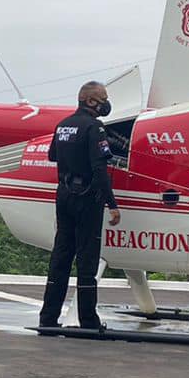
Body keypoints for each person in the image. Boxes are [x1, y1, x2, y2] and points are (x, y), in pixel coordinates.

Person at [38, 81, 121, 330]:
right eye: (103, 98)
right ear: (91, 101)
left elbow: (52, 155)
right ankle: (88, 321)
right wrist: (112, 204)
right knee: (87, 259)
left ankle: (48, 318)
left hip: (63, 196)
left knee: (61, 256)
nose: (106, 102)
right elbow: (100, 169)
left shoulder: (62, 125)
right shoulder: (95, 127)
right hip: (87, 198)